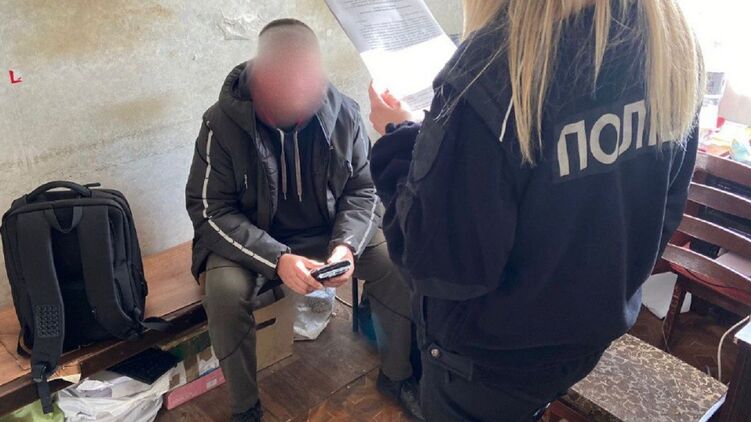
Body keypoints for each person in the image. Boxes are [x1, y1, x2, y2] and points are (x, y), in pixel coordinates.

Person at [368, 1, 704, 421]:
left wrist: (399, 137)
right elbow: (664, 210)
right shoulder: (668, 39)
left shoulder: (497, 66)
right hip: (585, 337)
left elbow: (440, 265)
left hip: (488, 365)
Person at [185, 19, 422, 422]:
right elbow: (210, 210)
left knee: (394, 260)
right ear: (259, 78)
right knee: (223, 292)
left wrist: (346, 246)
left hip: (329, 230)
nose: (295, 105)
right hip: (255, 237)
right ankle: (245, 407)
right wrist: (276, 258)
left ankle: (397, 375)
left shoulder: (343, 112)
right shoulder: (220, 124)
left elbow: (364, 189)